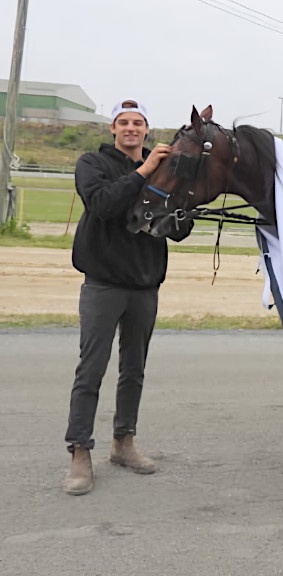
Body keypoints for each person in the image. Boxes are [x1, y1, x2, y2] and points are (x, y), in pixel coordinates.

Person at [63, 99, 193, 495]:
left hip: (144, 285)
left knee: (133, 370)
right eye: (123, 122)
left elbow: (176, 229)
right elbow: (103, 205)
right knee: (91, 371)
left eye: (138, 122)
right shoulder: (93, 164)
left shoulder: (162, 169)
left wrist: (183, 210)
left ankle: (124, 442)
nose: (131, 128)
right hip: (103, 283)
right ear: (113, 130)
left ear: (147, 130)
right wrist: (147, 168)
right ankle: (80, 452)